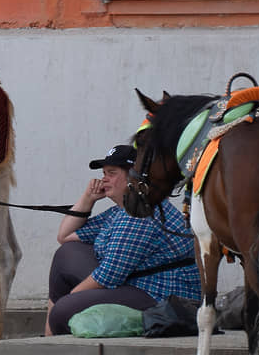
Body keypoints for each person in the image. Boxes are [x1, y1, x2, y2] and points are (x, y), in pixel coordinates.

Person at [45, 144, 201, 336]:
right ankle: (49, 335)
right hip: (134, 282)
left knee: (63, 311)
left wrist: (69, 301)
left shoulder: (140, 212)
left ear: (133, 177)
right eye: (103, 173)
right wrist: (88, 199)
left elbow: (107, 277)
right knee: (66, 254)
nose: (104, 178)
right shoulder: (121, 209)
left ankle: (51, 340)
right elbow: (65, 236)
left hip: (164, 297)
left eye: (111, 173)